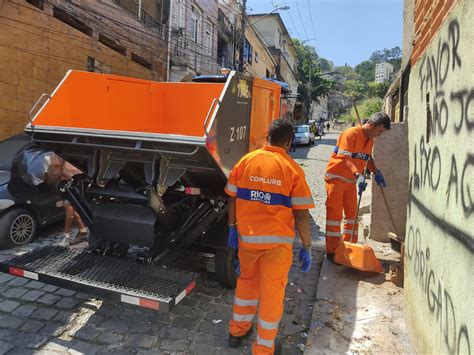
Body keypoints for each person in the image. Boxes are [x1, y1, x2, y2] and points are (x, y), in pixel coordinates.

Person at [225, 118, 314, 354]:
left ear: (267, 136)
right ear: (288, 141)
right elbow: (302, 214)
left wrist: (232, 227)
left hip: (248, 240)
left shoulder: (247, 161)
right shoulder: (291, 169)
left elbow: (231, 198)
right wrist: (307, 246)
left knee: (246, 285)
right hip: (277, 245)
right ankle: (264, 348)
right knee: (272, 295)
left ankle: (237, 332)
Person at [324, 112, 390, 262]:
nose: (379, 135)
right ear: (371, 125)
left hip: (350, 181)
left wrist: (376, 171)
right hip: (336, 178)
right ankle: (332, 251)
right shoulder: (350, 134)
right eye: (379, 131)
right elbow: (344, 158)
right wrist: (357, 174)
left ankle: (349, 248)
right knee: (335, 217)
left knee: (352, 217)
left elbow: (366, 158)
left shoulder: (370, 139)